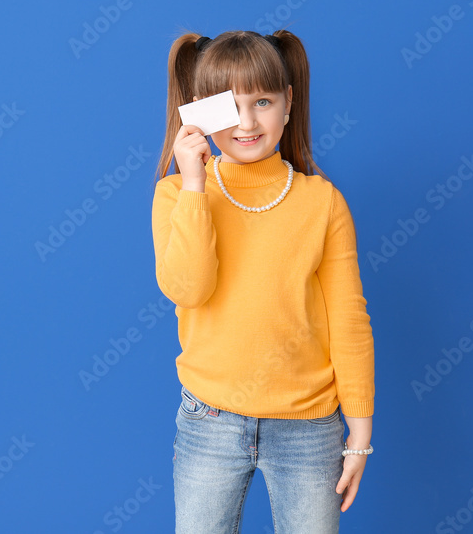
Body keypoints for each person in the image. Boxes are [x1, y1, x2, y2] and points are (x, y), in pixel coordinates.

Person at [150, 29, 375, 533]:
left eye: (264, 101)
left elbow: (348, 320)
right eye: (230, 106)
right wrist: (192, 184)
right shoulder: (177, 196)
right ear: (199, 112)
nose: (248, 122)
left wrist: (359, 436)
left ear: (289, 102)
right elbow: (188, 288)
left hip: (308, 427)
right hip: (210, 420)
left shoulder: (322, 202)